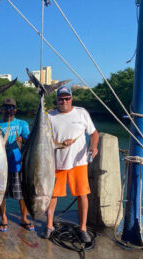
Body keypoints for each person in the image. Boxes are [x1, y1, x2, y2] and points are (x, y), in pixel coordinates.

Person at [43, 86, 99, 242]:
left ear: (71, 99)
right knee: (52, 195)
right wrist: (60, 144)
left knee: (82, 195)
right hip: (56, 163)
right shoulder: (49, 116)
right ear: (56, 100)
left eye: (67, 98)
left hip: (78, 163)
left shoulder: (81, 113)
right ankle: (49, 225)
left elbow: (93, 133)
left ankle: (82, 228)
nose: (64, 101)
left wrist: (93, 146)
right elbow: (45, 139)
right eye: (61, 98)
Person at [0, 98, 33, 232]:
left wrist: (22, 140)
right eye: (6, 108)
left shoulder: (22, 123)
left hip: (18, 164)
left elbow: (29, 140)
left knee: (22, 194)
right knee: (0, 193)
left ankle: (24, 217)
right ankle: (4, 218)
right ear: (2, 109)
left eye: (11, 108)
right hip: (1, 166)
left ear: (15, 110)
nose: (8, 110)